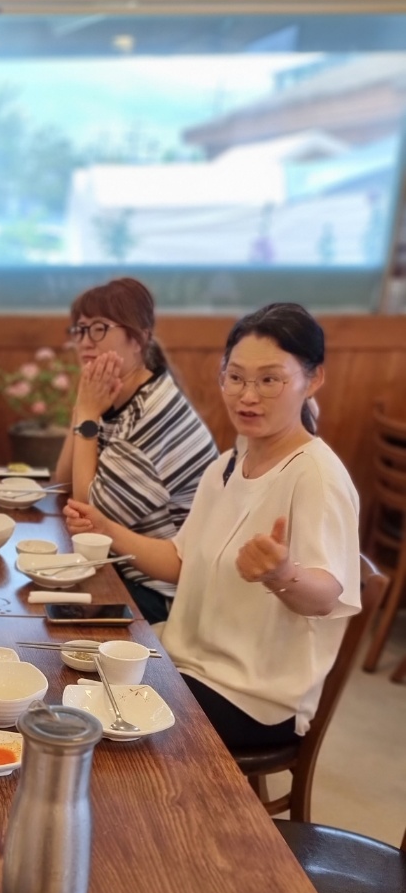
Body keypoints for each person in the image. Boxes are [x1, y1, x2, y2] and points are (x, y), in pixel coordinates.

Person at [65, 303, 360, 752]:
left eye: (269, 380)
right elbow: (179, 561)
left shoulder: (316, 475)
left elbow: (327, 596)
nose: (247, 396)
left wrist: (281, 575)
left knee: (97, 729)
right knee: (72, 681)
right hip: (187, 664)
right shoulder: (227, 465)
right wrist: (107, 529)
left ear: (313, 379)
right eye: (235, 377)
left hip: (252, 698)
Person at [54, 277, 218, 623]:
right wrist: (83, 406)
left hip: (163, 594)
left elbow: (88, 515)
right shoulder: (116, 396)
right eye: (80, 329)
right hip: (120, 570)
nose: (85, 341)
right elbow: (61, 483)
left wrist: (88, 414)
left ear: (139, 338)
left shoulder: (153, 413)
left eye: (99, 328)